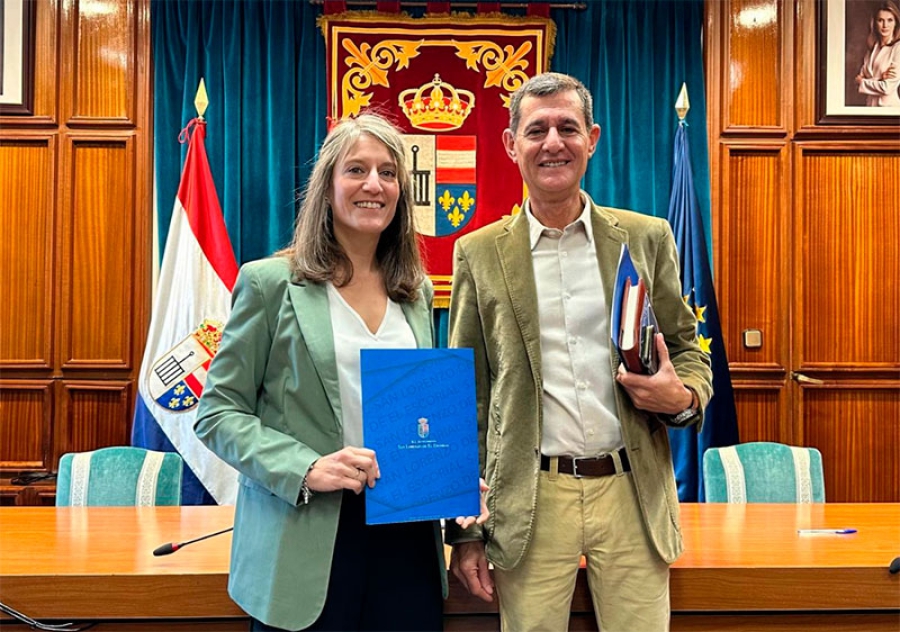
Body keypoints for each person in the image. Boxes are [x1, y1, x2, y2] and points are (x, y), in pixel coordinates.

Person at [444, 72, 714, 632]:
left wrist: (681, 396)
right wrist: (466, 531)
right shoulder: (478, 253)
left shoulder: (646, 237)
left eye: (568, 128)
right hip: (530, 502)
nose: (553, 143)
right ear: (510, 143)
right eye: (536, 129)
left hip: (632, 494)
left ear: (591, 138)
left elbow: (689, 350)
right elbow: (465, 398)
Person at [195, 113, 485, 632]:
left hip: (407, 536)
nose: (374, 184)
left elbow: (424, 411)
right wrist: (305, 467)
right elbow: (217, 413)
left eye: (388, 172)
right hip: (308, 535)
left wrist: (455, 476)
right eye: (356, 170)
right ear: (327, 187)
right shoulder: (269, 284)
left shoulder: (415, 292)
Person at [855, 0, 900, 107]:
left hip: (889, 109)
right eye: (880, 20)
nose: (885, 25)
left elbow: (887, 88)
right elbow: (856, 83)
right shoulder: (872, 48)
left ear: (896, 23)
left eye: (890, 20)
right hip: (870, 107)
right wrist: (879, 79)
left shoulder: (898, 48)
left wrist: (863, 82)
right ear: (874, 23)